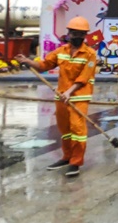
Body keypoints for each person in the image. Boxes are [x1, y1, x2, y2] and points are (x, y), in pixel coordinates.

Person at [16, 17, 98, 177]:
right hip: (61, 96)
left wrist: (69, 92)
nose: (76, 36)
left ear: (85, 35)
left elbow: (84, 77)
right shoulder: (61, 52)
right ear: (68, 33)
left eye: (80, 34)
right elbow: (44, 65)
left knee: (78, 130)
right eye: (74, 33)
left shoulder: (90, 54)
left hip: (78, 97)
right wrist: (28, 61)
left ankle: (76, 162)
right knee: (65, 130)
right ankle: (66, 157)